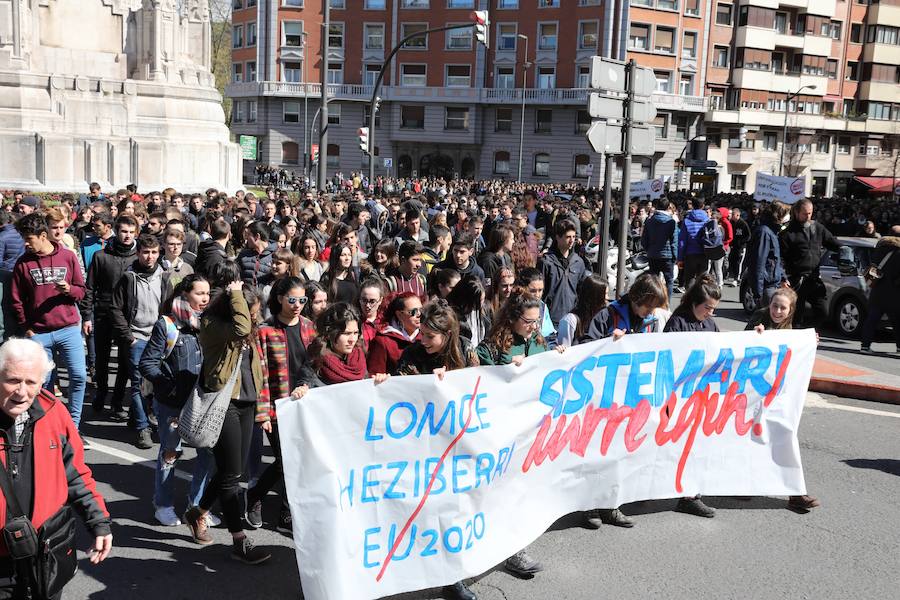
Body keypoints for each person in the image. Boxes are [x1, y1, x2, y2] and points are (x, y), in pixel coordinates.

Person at [0, 338, 112, 598]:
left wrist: (99, 522)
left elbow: (75, 474)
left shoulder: (54, 413)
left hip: (44, 553)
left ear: (42, 383)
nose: (21, 392)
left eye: (31, 382)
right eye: (13, 381)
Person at [184, 281, 271, 564]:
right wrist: (236, 295)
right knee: (232, 477)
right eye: (251, 311)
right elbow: (241, 328)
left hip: (247, 402)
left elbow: (253, 359)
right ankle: (239, 540)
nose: (255, 318)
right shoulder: (212, 324)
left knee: (230, 470)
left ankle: (197, 513)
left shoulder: (245, 325)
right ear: (235, 308)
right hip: (225, 404)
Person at [138, 275, 214, 527]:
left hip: (202, 403)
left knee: (207, 453)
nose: (205, 298)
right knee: (170, 453)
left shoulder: (210, 323)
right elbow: (147, 363)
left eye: (207, 294)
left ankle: (197, 507)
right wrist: (167, 386)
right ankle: (164, 504)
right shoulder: (167, 325)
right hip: (172, 404)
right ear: (185, 294)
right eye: (200, 293)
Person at [248, 277, 317, 535]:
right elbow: (261, 374)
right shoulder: (265, 331)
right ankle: (255, 495)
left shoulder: (310, 327)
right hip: (278, 406)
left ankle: (286, 513)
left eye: (302, 300)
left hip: (305, 405)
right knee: (285, 461)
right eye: (292, 300)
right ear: (279, 299)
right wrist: (263, 412)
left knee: (297, 461)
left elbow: (317, 365)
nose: (298, 305)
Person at [745, 287, 821, 512]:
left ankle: (795, 492)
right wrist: (752, 335)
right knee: (749, 440)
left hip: (775, 398)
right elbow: (737, 350)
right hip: (751, 396)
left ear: (790, 311)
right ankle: (743, 484)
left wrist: (809, 343)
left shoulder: (791, 332)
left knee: (785, 438)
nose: (777, 311)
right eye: (774, 305)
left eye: (782, 308)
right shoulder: (757, 320)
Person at [10, 214, 88, 430]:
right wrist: (27, 329)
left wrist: (69, 290)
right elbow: (16, 300)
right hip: (39, 334)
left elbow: (81, 291)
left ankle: (73, 426)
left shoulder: (68, 256)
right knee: (42, 383)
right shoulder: (23, 263)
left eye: (29, 239)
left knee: (79, 376)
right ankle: (44, 425)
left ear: (43, 235)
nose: (25, 243)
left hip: (69, 329)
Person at [662, 273, 721, 518]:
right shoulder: (677, 323)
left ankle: (690, 495)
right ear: (694, 303)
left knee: (696, 448)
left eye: (713, 309)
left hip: (700, 397)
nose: (710, 313)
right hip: (678, 398)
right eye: (707, 307)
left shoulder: (709, 324)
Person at [110, 234, 174, 449]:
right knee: (137, 385)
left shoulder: (164, 278)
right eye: (146, 252)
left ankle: (142, 417)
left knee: (155, 384)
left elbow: (170, 309)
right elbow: (116, 308)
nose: (150, 257)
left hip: (158, 339)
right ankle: (142, 427)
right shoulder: (128, 278)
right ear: (138, 253)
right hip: (136, 338)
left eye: (154, 252)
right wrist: (128, 337)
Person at [82, 215, 138, 419]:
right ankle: (101, 392)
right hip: (103, 313)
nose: (127, 236)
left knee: (125, 361)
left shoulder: (137, 257)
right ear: (116, 231)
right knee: (102, 358)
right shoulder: (101, 256)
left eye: (131, 232)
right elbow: (89, 288)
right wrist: (86, 315)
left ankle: (117, 401)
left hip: (126, 316)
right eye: (124, 231)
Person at [778, 199, 841, 329]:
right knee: (796, 316)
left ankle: (808, 332)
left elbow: (832, 242)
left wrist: (844, 249)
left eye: (810, 213)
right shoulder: (787, 233)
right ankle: (796, 336)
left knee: (823, 312)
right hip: (796, 280)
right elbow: (780, 258)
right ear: (796, 212)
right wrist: (783, 277)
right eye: (805, 213)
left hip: (814, 278)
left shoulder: (817, 228)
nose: (808, 216)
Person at [311, 303, 388, 385]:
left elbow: (364, 389)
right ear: (329, 334)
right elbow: (306, 386)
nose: (352, 340)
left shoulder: (359, 358)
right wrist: (301, 391)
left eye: (355, 333)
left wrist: (377, 381)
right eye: (346, 333)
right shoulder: (315, 362)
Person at [538, 219, 589, 326]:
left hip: (571, 317)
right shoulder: (546, 261)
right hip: (550, 319)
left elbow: (582, 290)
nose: (571, 241)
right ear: (558, 237)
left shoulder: (578, 262)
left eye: (574, 237)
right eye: (568, 237)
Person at [860, 233, 900, 354]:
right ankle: (899, 347)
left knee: (871, 320)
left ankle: (865, 346)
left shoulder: (879, 249)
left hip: (877, 291)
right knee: (897, 322)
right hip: (894, 293)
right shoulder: (898, 253)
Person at [745, 201, 789, 307]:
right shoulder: (765, 233)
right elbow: (758, 263)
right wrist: (758, 293)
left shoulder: (772, 232)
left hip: (773, 285)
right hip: (766, 287)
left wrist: (783, 277)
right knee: (765, 320)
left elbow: (774, 260)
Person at [367, 292, 422, 375]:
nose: (419, 315)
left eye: (421, 310)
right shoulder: (383, 341)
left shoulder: (426, 336)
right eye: (413, 311)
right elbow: (375, 375)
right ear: (399, 315)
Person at [641, 197, 678, 300]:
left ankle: (652, 303)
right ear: (667, 207)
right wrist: (675, 257)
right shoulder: (671, 222)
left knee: (653, 281)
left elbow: (644, 240)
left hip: (653, 254)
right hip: (667, 256)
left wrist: (649, 250)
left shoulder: (649, 221)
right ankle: (666, 305)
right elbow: (674, 242)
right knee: (669, 281)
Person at [556, 274, 607, 347]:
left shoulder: (603, 319)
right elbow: (564, 351)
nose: (608, 298)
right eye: (606, 294)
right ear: (596, 297)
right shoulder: (570, 320)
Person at [446, 274, 491, 347]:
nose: (480, 305)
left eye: (482, 300)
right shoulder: (450, 315)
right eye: (476, 303)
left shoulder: (485, 310)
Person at [677, 197, 711, 287]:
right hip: (704, 252)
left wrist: (680, 258)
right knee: (702, 280)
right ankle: (701, 299)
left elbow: (682, 241)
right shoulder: (707, 220)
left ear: (692, 206)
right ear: (703, 206)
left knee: (689, 279)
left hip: (690, 254)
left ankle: (691, 299)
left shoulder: (687, 221)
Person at [358, 278, 385, 352]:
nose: (367, 305)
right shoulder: (355, 322)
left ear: (380, 300)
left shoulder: (386, 321)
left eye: (372, 301)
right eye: (364, 300)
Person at [727, 207, 751, 286]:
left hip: (740, 247)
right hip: (733, 246)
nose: (732, 216)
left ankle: (737, 279)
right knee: (732, 260)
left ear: (738, 215)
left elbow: (748, 236)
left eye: (733, 214)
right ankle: (731, 275)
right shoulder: (731, 223)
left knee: (738, 262)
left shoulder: (743, 223)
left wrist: (741, 243)